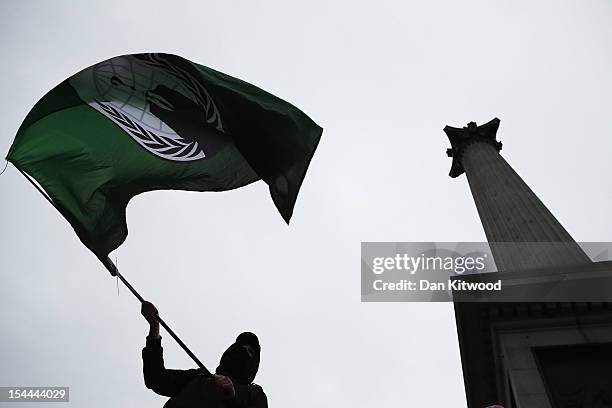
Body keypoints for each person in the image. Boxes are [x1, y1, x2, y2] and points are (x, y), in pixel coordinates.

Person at [141, 300, 268, 408]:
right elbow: (156, 378)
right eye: (238, 348)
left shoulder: (254, 394)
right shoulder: (198, 378)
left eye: (250, 352)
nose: (243, 351)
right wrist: (154, 326)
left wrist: (231, 397)